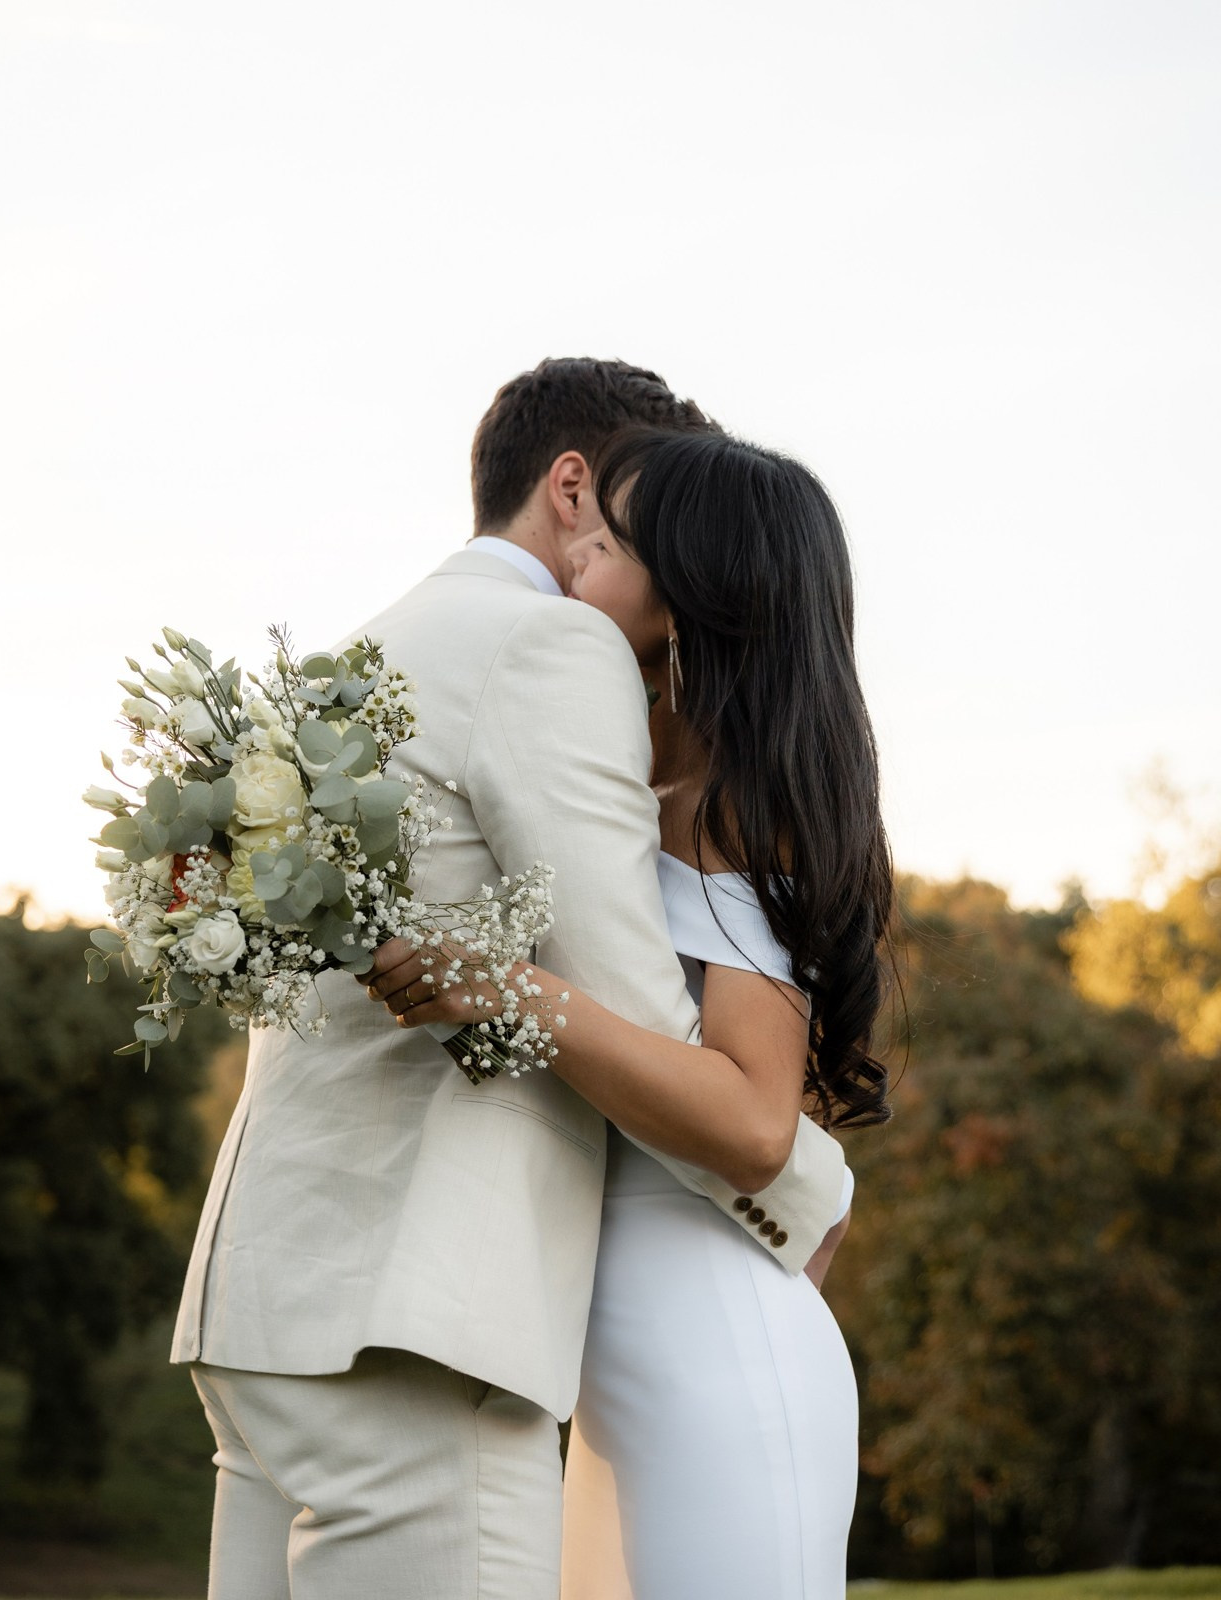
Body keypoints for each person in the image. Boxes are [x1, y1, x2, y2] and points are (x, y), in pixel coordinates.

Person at [173, 360, 849, 1600]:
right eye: (650, 518)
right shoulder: (547, 646)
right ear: (574, 488)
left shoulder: (345, 662)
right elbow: (634, 1004)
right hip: (416, 1318)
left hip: (267, 1301)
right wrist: (807, 1179)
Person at [368, 425, 894, 1598]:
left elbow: (757, 1123)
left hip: (715, 1331)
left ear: (686, 592)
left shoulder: (727, 810)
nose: (574, 558)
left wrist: (519, 992)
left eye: (605, 542)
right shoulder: (619, 773)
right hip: (615, 1350)